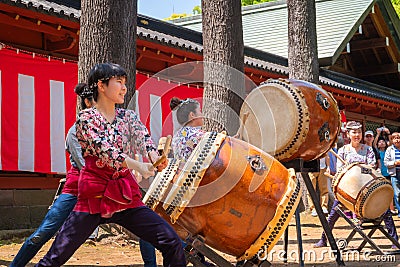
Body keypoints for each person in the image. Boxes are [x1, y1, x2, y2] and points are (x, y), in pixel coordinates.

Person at [34, 63, 186, 267]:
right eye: (119, 82)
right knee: (56, 257)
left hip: (124, 195)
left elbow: (144, 140)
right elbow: (105, 151)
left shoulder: (128, 117)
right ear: (101, 86)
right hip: (93, 196)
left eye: (125, 83)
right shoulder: (85, 119)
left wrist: (154, 158)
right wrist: (138, 166)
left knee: (172, 242)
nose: (124, 87)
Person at [10, 84, 95, 267]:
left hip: (102, 191)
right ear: (87, 103)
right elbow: (84, 166)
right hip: (76, 191)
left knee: (140, 220)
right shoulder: (75, 132)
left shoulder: (108, 132)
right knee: (44, 232)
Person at [314, 121, 398, 248]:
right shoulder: (342, 151)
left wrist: (355, 168)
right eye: (354, 132)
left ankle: (394, 240)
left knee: (384, 209)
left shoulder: (368, 149)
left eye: (359, 132)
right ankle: (324, 239)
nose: (357, 135)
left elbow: (371, 167)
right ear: (348, 134)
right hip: (348, 190)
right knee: (333, 214)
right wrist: (352, 170)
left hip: (366, 188)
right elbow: (340, 170)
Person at [384, 132, 400, 218]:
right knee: (397, 194)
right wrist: (394, 163)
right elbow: (386, 162)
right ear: (392, 140)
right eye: (395, 138)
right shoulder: (389, 149)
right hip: (395, 173)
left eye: (398, 138)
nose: (397, 140)